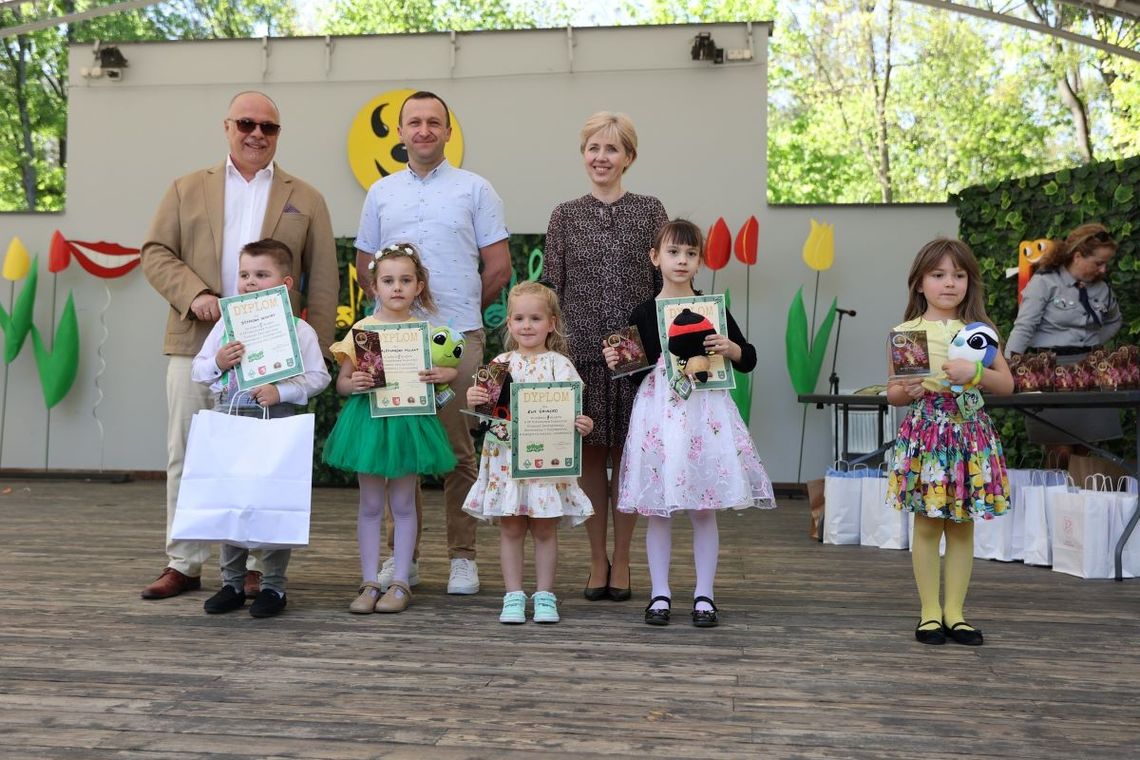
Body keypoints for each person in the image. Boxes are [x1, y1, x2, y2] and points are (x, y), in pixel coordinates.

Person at [140, 90, 339, 600]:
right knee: (187, 454)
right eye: (246, 123)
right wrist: (197, 295)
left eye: (268, 127)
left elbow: (322, 281)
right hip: (197, 341)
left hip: (274, 354)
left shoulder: (307, 197)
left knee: (260, 457)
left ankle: (253, 564)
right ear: (227, 126)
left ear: (278, 134)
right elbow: (155, 253)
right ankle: (183, 562)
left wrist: (304, 352)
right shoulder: (186, 188)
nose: (256, 134)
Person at [354, 91, 511, 596]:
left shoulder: (476, 189)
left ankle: (463, 557)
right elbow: (364, 268)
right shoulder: (380, 192)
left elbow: (499, 266)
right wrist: (401, 314)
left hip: (456, 337)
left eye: (434, 122)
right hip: (394, 339)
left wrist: (454, 315)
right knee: (400, 451)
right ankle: (406, 561)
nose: (423, 130)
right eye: (414, 122)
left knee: (457, 449)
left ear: (448, 131)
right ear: (399, 133)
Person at [606, 220, 775, 628]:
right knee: (659, 509)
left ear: (700, 260)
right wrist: (619, 362)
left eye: (690, 254)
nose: (681, 261)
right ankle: (659, 593)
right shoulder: (644, 312)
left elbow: (747, 358)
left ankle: (704, 595)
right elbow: (635, 373)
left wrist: (730, 347)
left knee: (704, 508)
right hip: (659, 416)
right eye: (673, 252)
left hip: (705, 416)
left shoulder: (712, 308)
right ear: (655, 257)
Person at [544, 112, 668, 603]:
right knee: (591, 459)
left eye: (612, 149)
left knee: (630, 459)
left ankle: (625, 557)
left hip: (636, 358)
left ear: (629, 158)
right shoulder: (564, 215)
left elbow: (665, 286)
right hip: (582, 356)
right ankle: (597, 559)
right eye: (593, 148)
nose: (601, 157)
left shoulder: (651, 209)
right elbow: (553, 288)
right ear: (584, 155)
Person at [189, 239, 332, 618]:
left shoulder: (299, 330)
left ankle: (273, 587)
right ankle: (232, 583)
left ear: (285, 283)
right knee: (231, 501)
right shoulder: (224, 325)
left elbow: (319, 377)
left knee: (273, 502)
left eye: (261, 274)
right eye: (244, 274)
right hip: (231, 416)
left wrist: (281, 388)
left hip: (278, 420)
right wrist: (218, 361)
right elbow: (198, 370)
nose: (250, 282)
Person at [885, 238, 1014, 647]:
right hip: (928, 433)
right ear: (919, 283)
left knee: (961, 526)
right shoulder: (906, 333)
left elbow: (1007, 384)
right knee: (927, 524)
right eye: (938, 275)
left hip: (969, 435)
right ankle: (928, 614)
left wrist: (973, 374)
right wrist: (908, 390)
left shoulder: (980, 332)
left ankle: (955, 614)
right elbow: (893, 393)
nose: (949, 284)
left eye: (958, 275)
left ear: (969, 282)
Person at [324, 244, 458, 615]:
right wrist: (357, 384)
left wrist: (443, 374)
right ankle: (369, 581)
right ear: (374, 286)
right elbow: (343, 383)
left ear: (418, 286)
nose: (396, 287)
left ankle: (400, 580)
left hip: (409, 422)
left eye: (405, 280)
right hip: (370, 422)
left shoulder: (427, 332)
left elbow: (448, 372)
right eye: (388, 280)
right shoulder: (363, 331)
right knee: (369, 504)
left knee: (403, 502)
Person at [462, 282, 595, 624]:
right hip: (507, 462)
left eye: (535, 318)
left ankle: (546, 595)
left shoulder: (559, 365)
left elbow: (575, 408)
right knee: (511, 528)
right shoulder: (499, 365)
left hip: (545, 463)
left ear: (551, 322)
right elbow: (484, 416)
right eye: (519, 318)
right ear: (508, 324)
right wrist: (473, 401)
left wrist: (582, 423)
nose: (527, 325)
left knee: (545, 529)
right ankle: (513, 595)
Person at [1005, 223, 1123, 466]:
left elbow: (1115, 320)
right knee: (1059, 452)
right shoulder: (1045, 283)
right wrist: (1007, 365)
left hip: (1090, 371)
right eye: (1098, 262)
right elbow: (1024, 326)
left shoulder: (1102, 289)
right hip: (1051, 372)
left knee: (1086, 451)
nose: (1103, 269)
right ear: (1078, 256)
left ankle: (1085, 503)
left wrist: (1092, 342)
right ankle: (1056, 502)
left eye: (1106, 263)